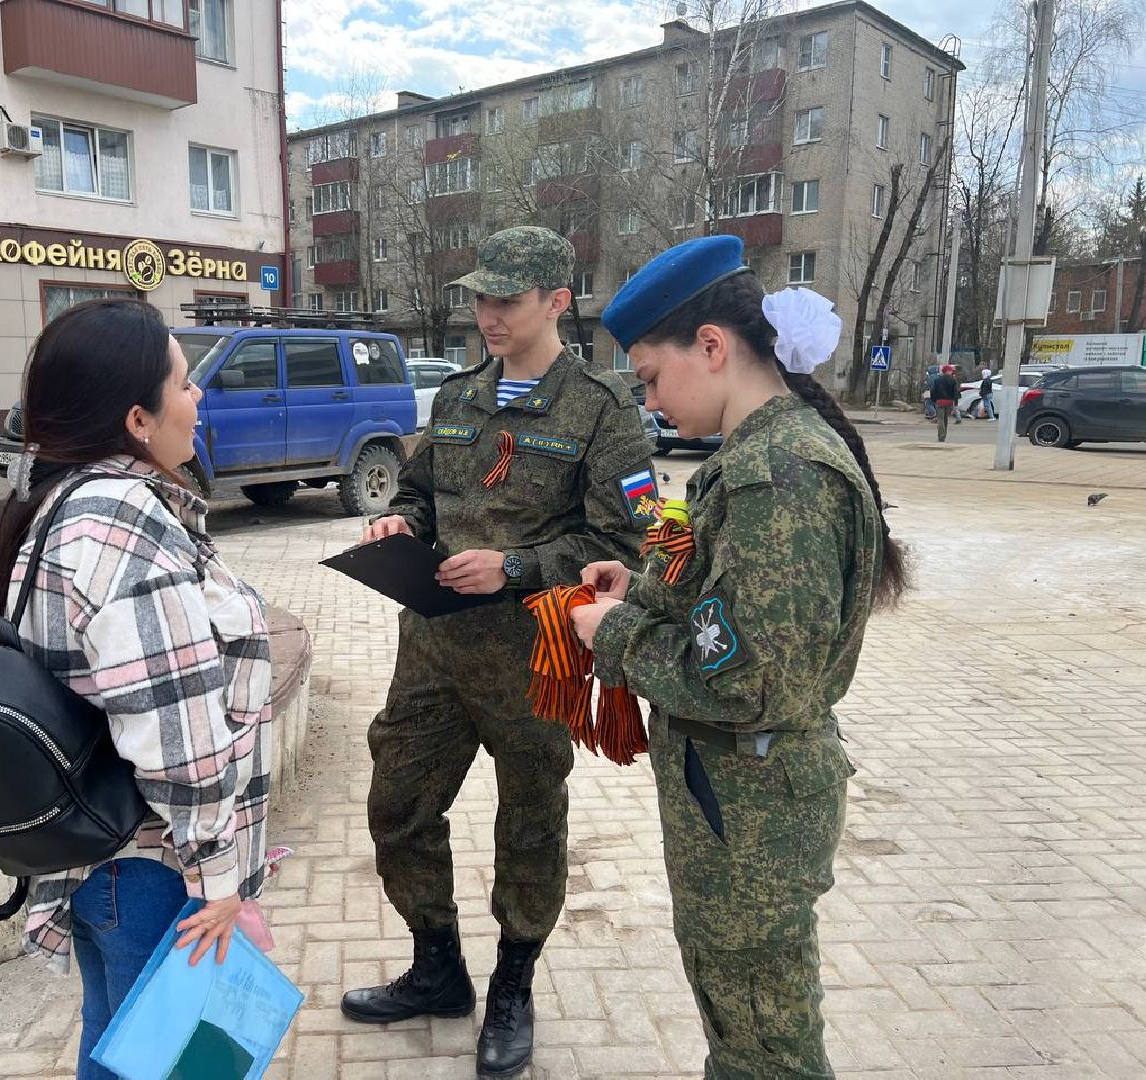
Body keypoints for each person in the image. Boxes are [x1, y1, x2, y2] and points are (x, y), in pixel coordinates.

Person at [570, 235, 909, 1079]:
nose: (648, 400)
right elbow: (727, 598)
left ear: (712, 347)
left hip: (751, 803)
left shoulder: (779, 476)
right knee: (739, 1010)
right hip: (731, 795)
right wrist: (643, 583)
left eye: (650, 377)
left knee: (766, 1039)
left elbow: (754, 681)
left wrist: (613, 633)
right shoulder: (750, 458)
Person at [341, 226, 657, 1078]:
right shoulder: (456, 397)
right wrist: (399, 522)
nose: (487, 314)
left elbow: (625, 542)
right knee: (397, 805)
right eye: (480, 297)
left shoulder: (602, 407)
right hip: (434, 654)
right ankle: (437, 968)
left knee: (529, 824)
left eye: (506, 300)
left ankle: (513, 984)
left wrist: (515, 566)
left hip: (534, 660)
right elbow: (419, 491)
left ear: (558, 300)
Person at [0, 299, 274, 1079]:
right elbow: (175, 740)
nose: (199, 396)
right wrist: (220, 884)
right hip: (154, 871)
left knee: (119, 1055)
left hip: (102, 868)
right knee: (170, 1065)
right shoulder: (121, 523)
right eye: (184, 382)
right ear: (139, 419)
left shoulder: (60, 503)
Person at [930, 363, 959, 441]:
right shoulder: (953, 381)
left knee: (940, 419)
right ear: (948, 371)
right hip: (949, 402)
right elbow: (955, 392)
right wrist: (955, 403)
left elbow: (933, 391)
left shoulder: (937, 380)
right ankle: (944, 435)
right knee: (945, 419)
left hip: (939, 402)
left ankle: (941, 436)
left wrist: (934, 400)